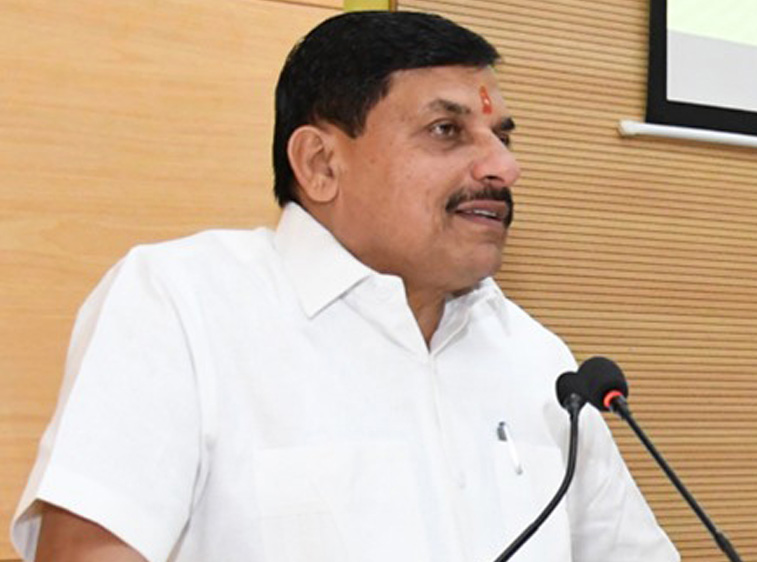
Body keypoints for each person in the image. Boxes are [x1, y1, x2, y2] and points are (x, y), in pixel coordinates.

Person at [11, 11, 680, 562]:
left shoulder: (538, 361)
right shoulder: (182, 303)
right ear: (320, 163)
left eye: (500, 137)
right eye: (447, 131)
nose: (504, 166)